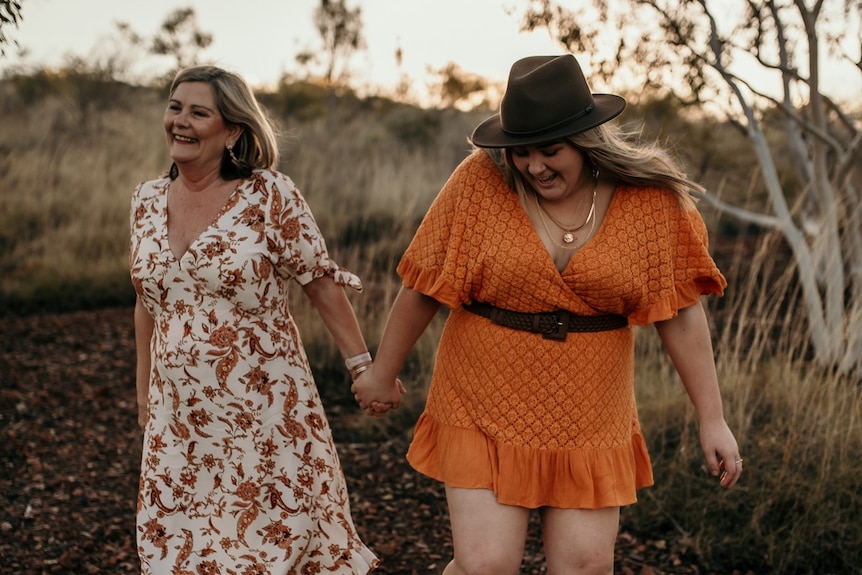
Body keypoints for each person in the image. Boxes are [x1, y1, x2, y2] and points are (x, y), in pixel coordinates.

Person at [352, 54, 742, 575]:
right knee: (485, 565)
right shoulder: (479, 182)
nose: (534, 166)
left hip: (590, 406)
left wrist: (711, 419)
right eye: (521, 152)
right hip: (483, 390)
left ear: (586, 140)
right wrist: (383, 372)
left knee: (583, 567)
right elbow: (425, 283)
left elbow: (681, 315)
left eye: (550, 151)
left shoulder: (650, 202)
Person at [130, 65, 379, 575]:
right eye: (175, 106)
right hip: (179, 419)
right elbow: (147, 300)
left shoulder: (269, 195)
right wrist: (143, 395)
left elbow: (319, 283)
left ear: (233, 131)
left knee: (267, 547)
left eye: (199, 112)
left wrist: (362, 368)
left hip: (264, 416)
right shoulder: (146, 201)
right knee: (181, 548)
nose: (181, 121)